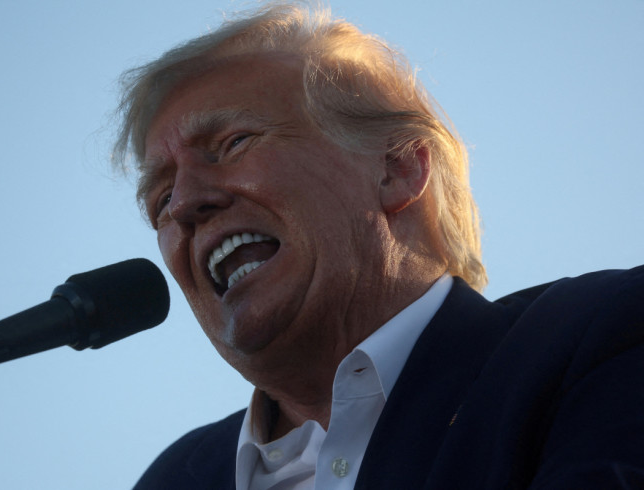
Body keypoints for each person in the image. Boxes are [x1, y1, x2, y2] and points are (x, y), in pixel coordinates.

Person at [112, 2, 644, 489]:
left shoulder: (598, 339)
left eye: (232, 143)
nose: (183, 205)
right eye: (159, 199)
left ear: (397, 166)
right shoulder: (173, 479)